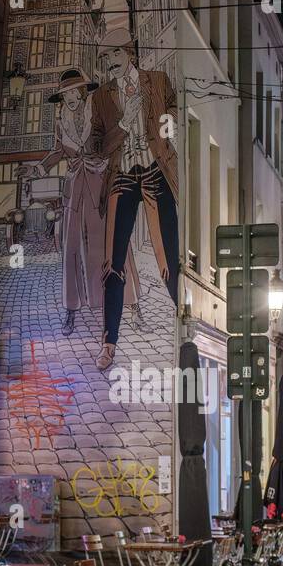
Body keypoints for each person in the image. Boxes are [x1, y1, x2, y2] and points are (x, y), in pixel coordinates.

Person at [89, 27, 179, 371]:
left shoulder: (157, 80)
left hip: (155, 171)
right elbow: (97, 145)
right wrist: (125, 125)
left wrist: (161, 132)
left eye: (114, 54)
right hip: (122, 177)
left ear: (128, 52)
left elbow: (173, 120)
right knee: (113, 261)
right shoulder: (100, 97)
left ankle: (182, 324)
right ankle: (109, 342)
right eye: (105, 57)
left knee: (167, 254)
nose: (109, 62)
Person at [37, 67, 142, 336]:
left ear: (82, 92)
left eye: (73, 91)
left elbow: (110, 141)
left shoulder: (97, 113)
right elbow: (59, 150)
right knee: (72, 245)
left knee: (113, 241)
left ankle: (132, 306)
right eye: (65, 94)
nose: (70, 97)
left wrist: (125, 124)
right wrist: (39, 168)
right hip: (75, 188)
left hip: (99, 184)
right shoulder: (62, 123)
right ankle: (71, 310)